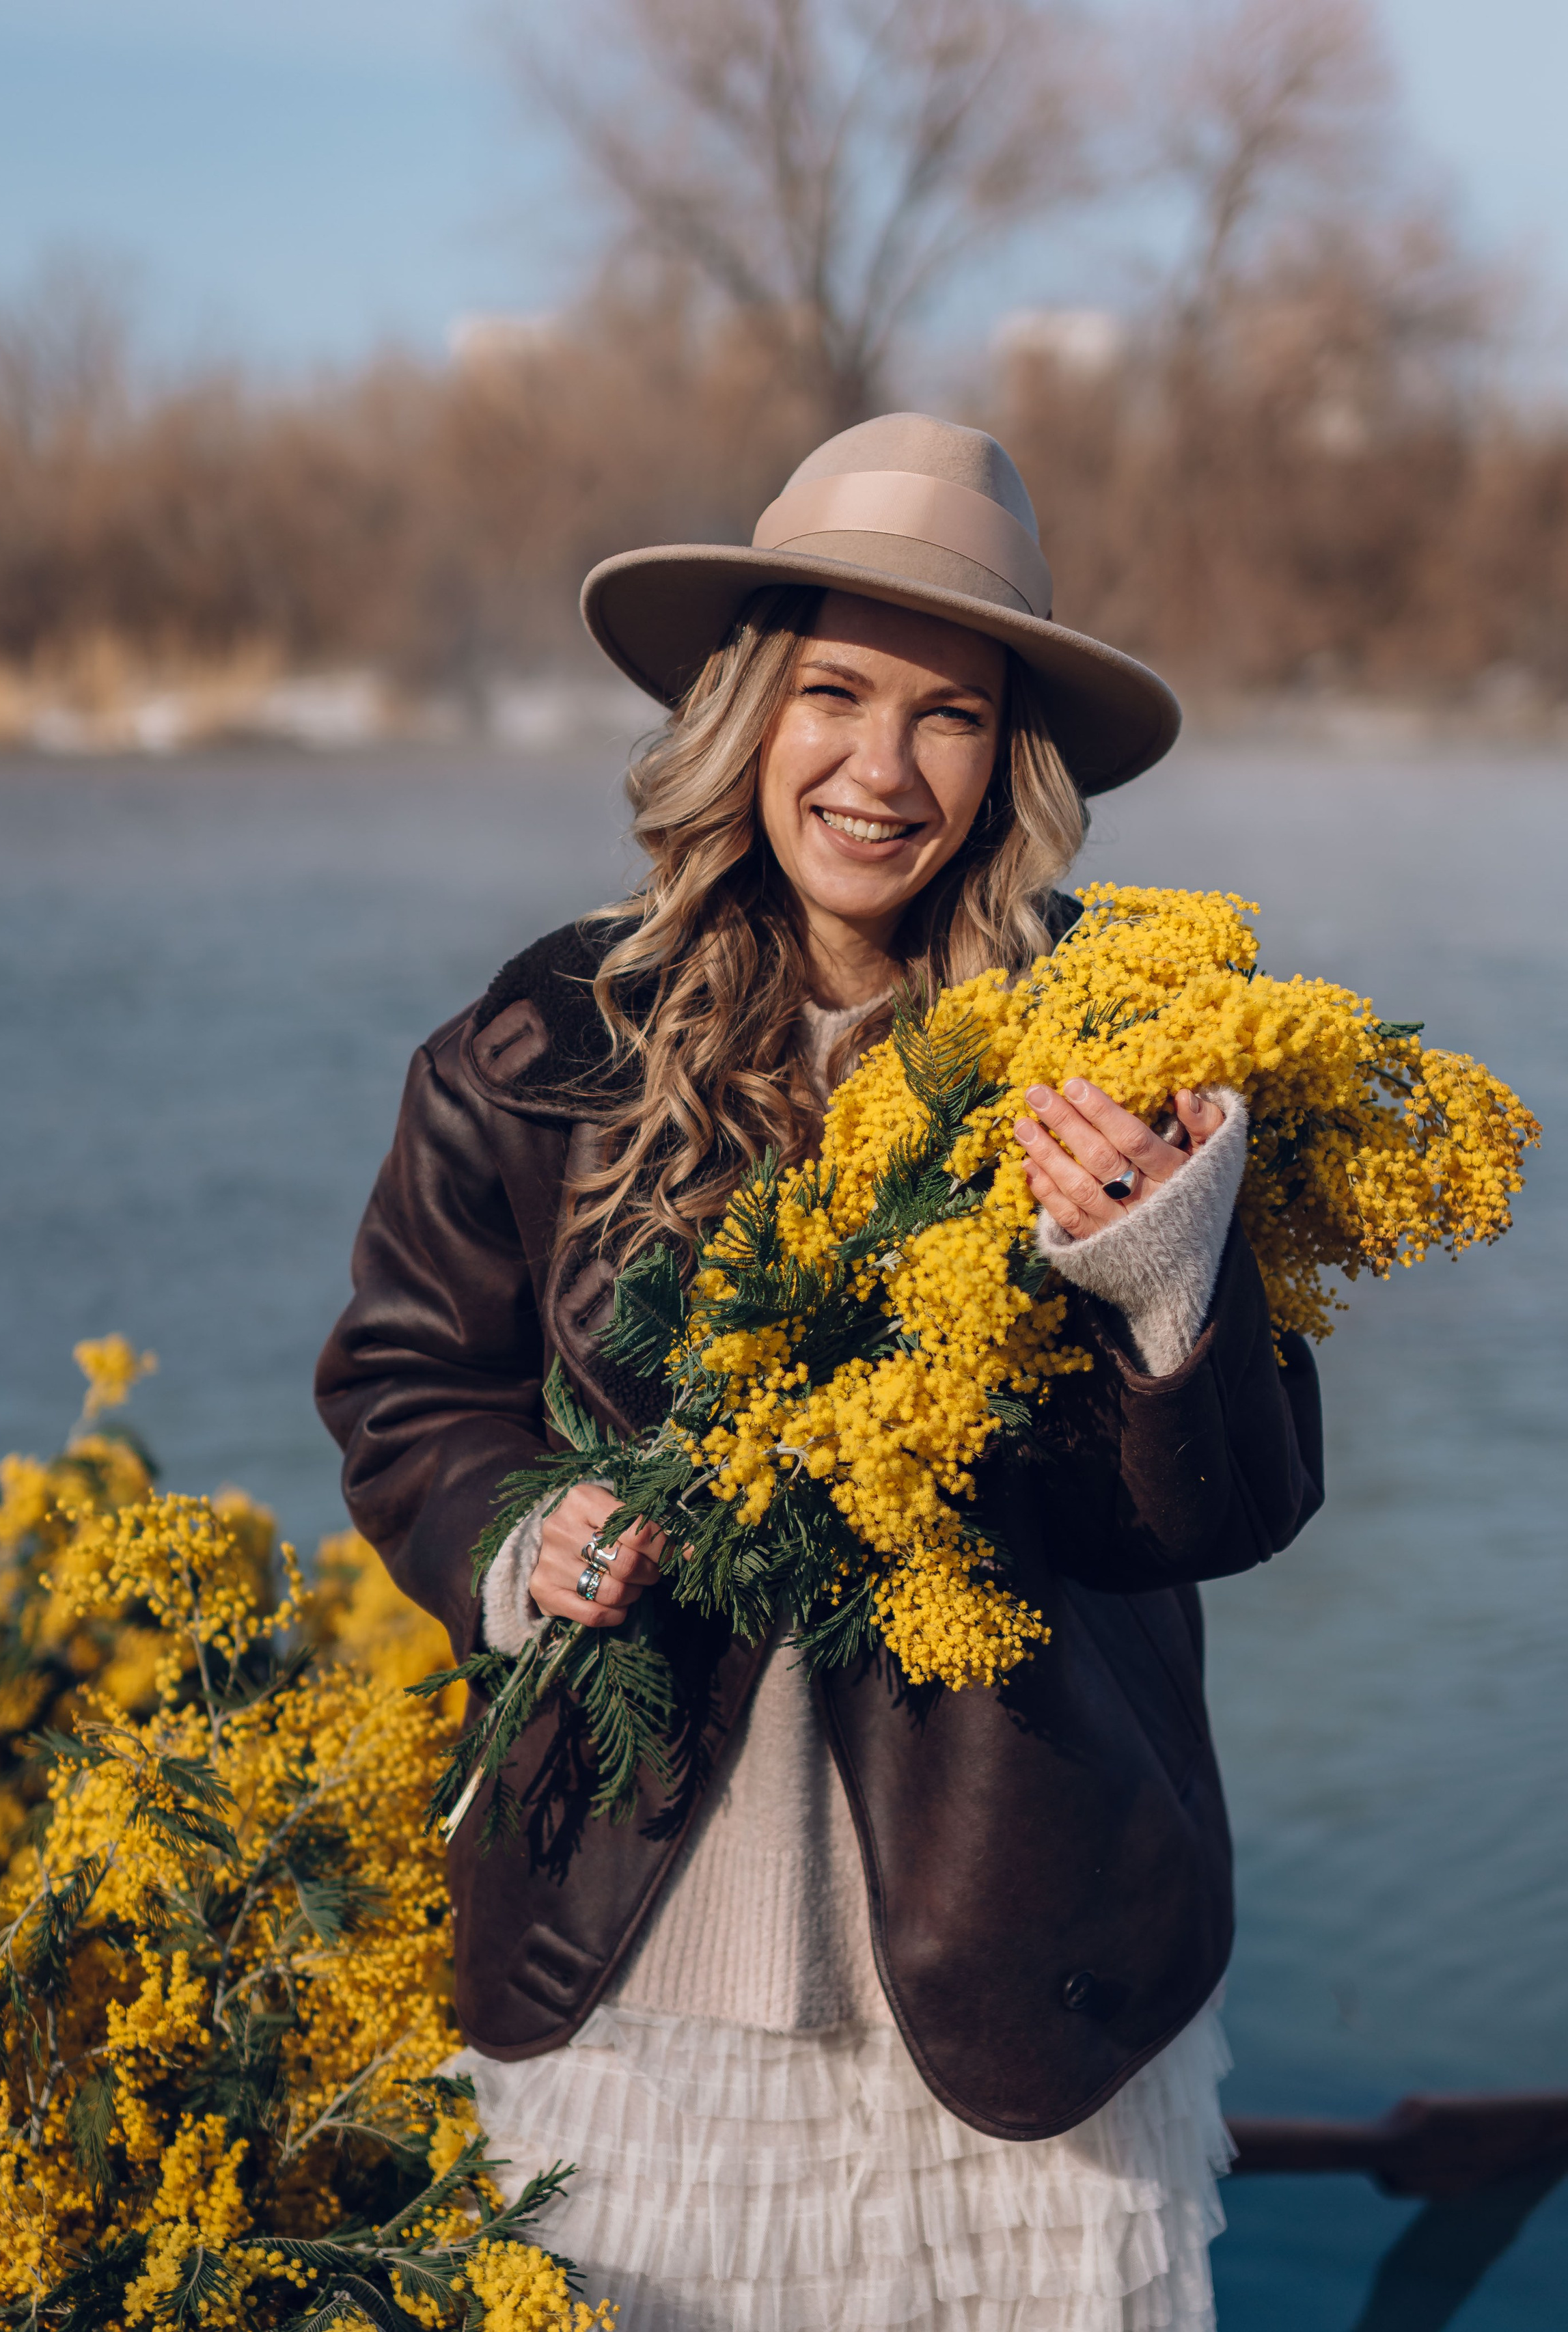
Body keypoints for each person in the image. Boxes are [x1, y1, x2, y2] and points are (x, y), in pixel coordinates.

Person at [316, 413, 1323, 2331]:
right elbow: (406, 1389)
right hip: (631, 1950)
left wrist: (1168, 1278)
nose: (881, 769)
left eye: (949, 713)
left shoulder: (1127, 1045)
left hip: (1025, 1953)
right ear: (747, 709)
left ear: (1011, 755)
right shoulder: (535, 1048)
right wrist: (524, 1538)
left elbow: (1237, 1510)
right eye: (835, 693)